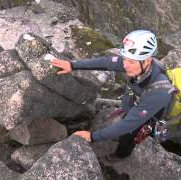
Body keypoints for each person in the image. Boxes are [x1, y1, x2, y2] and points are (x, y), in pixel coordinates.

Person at [52, 30, 173, 161]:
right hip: (135, 103)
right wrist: (72, 65)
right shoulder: (138, 63)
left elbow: (128, 124)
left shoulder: (160, 93)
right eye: (125, 59)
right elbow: (107, 62)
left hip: (149, 114)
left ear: (148, 61)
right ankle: (118, 135)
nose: (125, 65)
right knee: (125, 124)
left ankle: (121, 154)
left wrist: (93, 137)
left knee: (129, 135)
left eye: (131, 62)